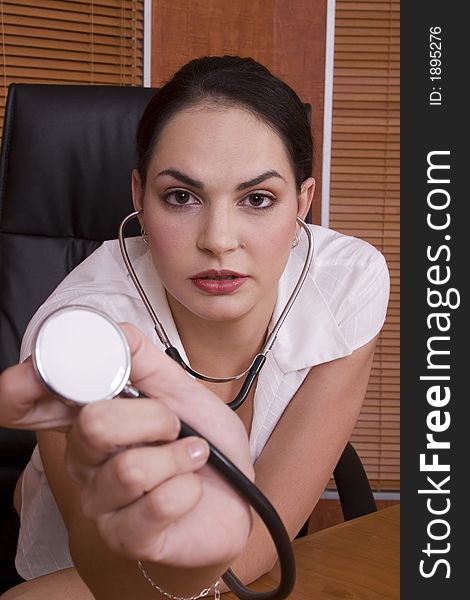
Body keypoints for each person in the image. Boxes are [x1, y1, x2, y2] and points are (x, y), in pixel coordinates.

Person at [0, 55, 389, 599]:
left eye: (258, 199)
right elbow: (114, 576)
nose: (219, 239)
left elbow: (260, 546)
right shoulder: (82, 333)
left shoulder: (347, 284)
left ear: (303, 202)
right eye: (181, 197)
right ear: (139, 196)